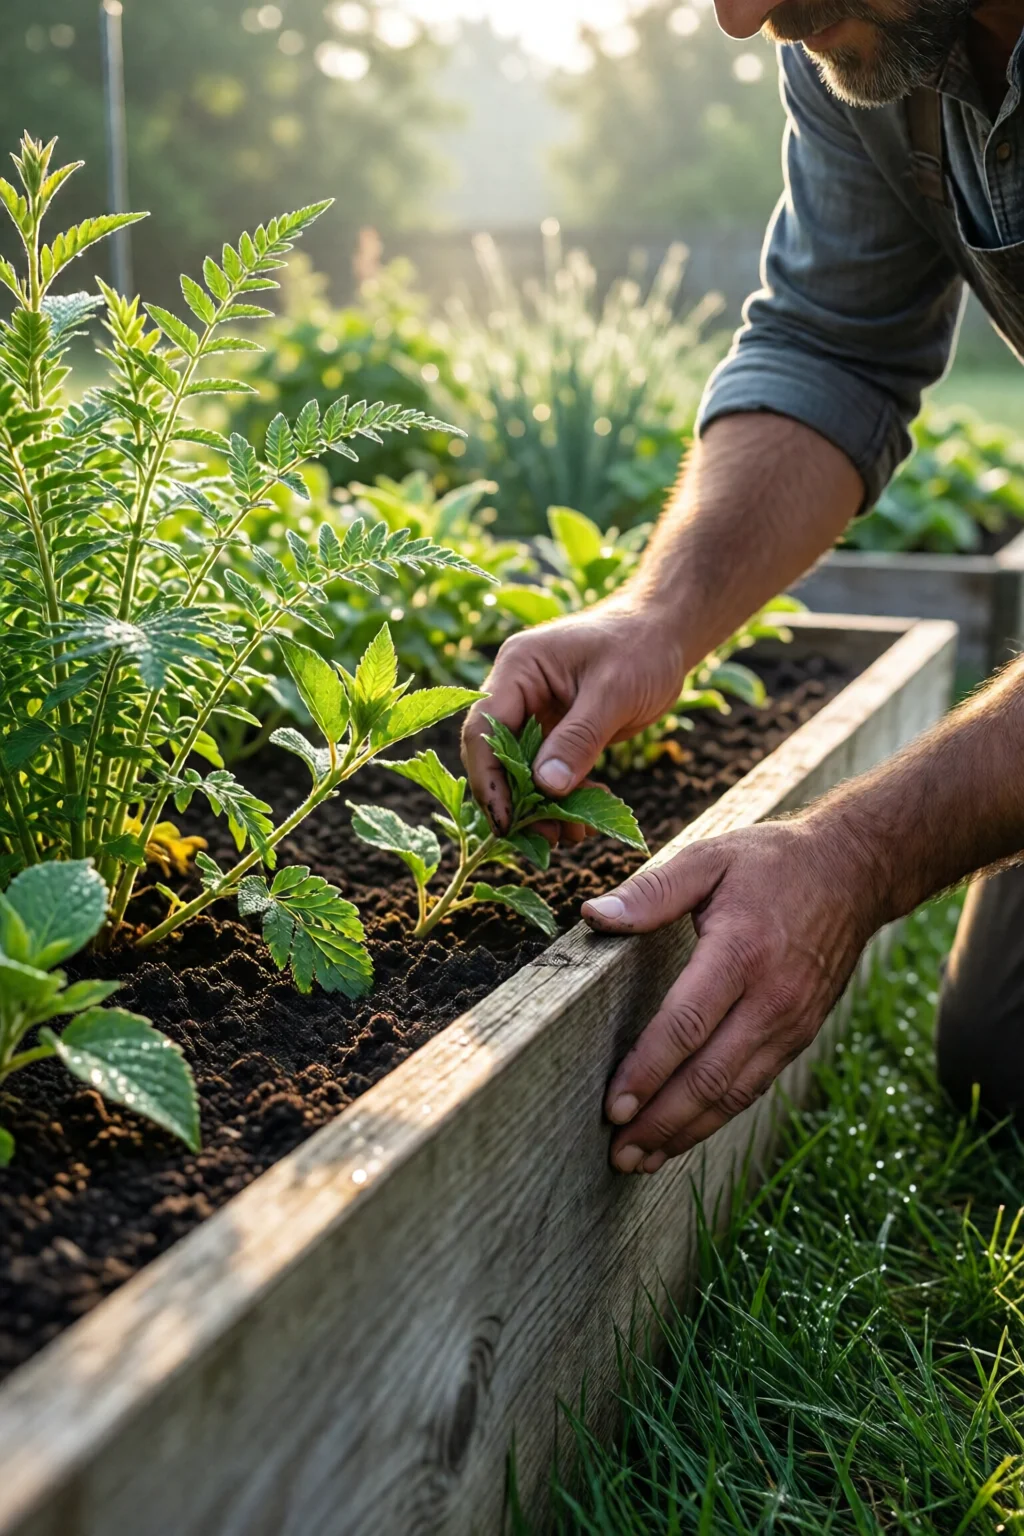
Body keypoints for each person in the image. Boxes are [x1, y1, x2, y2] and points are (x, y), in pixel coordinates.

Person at [461, 0, 1024, 1176]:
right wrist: (656, 613)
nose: (738, 16)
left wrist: (854, 855)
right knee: (1004, 1055)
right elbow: (833, 346)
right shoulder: (868, 52)